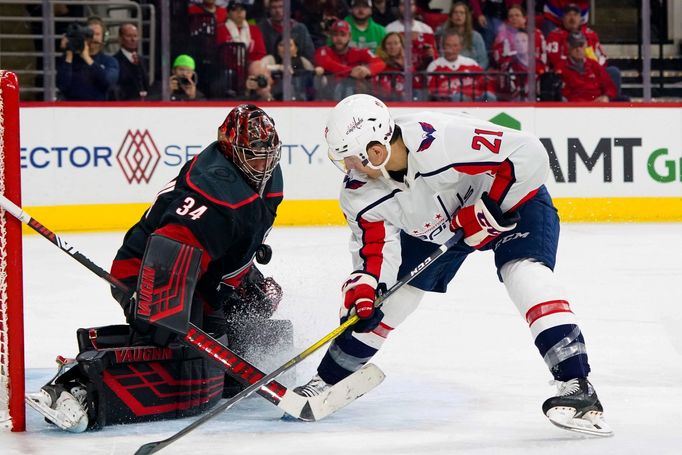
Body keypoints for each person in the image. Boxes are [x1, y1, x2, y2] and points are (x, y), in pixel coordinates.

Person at [294, 93, 613, 438]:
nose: (348, 169)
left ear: (376, 150)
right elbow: (374, 250)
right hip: (441, 227)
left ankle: (576, 385)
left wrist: (492, 207)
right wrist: (367, 285)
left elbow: (528, 154)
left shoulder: (440, 138)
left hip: (511, 201)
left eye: (351, 159)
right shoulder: (359, 192)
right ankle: (326, 381)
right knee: (388, 303)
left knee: (524, 273)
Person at [26, 104, 286, 432]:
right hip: (150, 271)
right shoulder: (213, 194)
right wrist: (159, 302)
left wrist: (245, 274)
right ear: (230, 150)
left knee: (250, 309)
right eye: (253, 154)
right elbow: (170, 244)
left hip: (199, 272)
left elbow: (238, 236)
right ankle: (78, 387)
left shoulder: (263, 176)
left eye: (268, 153)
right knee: (175, 348)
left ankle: (221, 363)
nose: (263, 164)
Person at [315, 19, 386, 100]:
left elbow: (380, 63)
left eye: (343, 34)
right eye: (335, 34)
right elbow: (326, 62)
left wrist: (367, 69)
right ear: (331, 36)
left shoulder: (359, 52)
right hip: (329, 98)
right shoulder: (323, 51)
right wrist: (351, 71)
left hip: (356, 97)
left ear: (350, 36)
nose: (339, 38)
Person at [56, 16, 119, 101]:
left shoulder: (110, 61)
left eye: (97, 34)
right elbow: (62, 85)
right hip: (71, 109)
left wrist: (87, 58)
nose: (93, 38)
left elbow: (107, 82)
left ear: (104, 38)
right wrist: (69, 52)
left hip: (98, 109)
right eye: (90, 34)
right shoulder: (69, 59)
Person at [426, 30, 495, 101]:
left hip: (474, 103)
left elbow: (485, 82)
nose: (451, 49)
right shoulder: (435, 66)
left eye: (455, 45)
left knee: (490, 97)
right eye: (448, 45)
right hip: (450, 105)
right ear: (443, 47)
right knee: (458, 97)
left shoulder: (470, 63)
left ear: (460, 47)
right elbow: (432, 93)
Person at [557, 32, 616, 102]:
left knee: (623, 100)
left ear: (586, 45)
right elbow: (563, 95)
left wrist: (606, 97)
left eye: (581, 45)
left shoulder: (594, 64)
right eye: (574, 46)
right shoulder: (561, 67)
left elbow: (610, 87)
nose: (578, 49)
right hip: (575, 107)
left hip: (597, 103)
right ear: (568, 46)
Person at [385, 0, 438, 71]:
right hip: (398, 74)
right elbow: (384, 56)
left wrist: (431, 53)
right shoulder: (389, 29)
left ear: (415, 7)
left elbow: (435, 56)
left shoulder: (426, 29)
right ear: (398, 7)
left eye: (410, 5)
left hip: (423, 74)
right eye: (403, 4)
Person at [435, 1, 488, 69]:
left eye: (462, 13)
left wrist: (473, 72)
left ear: (466, 17)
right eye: (455, 12)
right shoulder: (445, 36)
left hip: (472, 73)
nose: (458, 15)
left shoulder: (476, 37)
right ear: (451, 17)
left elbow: (484, 61)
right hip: (450, 73)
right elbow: (442, 58)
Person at [113, 22, 149, 101]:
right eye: (129, 36)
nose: (133, 39)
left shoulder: (142, 60)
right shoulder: (114, 61)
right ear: (121, 38)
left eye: (135, 36)